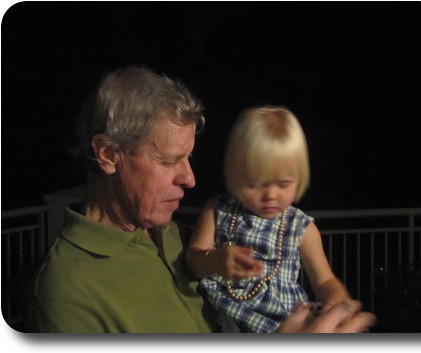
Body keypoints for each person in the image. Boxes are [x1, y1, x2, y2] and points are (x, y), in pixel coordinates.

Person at [28, 66, 375, 333]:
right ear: (107, 154)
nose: (190, 179)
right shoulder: (67, 290)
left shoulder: (175, 235)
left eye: (189, 158)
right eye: (167, 160)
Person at [186, 106, 351, 333]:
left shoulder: (302, 228)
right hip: (225, 318)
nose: (271, 195)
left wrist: (336, 301)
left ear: (299, 178)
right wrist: (213, 260)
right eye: (257, 183)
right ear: (236, 175)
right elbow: (193, 259)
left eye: (283, 184)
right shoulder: (217, 211)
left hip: (284, 325)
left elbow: (324, 281)